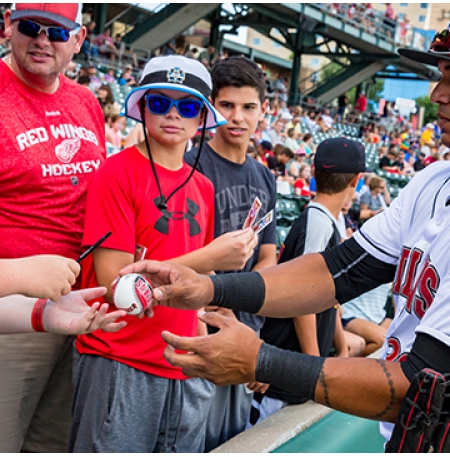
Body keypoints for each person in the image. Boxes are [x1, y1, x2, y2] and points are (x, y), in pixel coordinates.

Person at [126, 4, 450, 453]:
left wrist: (260, 361)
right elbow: (336, 272)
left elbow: (423, 390)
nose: (438, 92)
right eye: (441, 76)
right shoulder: (436, 180)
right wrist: (209, 287)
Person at [0, 3, 103, 453]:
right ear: (9, 26)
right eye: (31, 27)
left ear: (79, 39)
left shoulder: (86, 102)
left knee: (55, 442)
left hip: (76, 304)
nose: (43, 40)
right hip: (2, 313)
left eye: (58, 32)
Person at [69, 55, 255, 453]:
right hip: (122, 357)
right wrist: (211, 258)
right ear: (143, 109)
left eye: (187, 106)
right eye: (159, 103)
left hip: (184, 361)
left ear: (202, 116)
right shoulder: (115, 172)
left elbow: (195, 287)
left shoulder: (202, 186)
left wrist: (204, 341)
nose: (173, 114)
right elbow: (115, 281)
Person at [179, 56, 278, 451]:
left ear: (263, 111)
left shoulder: (264, 175)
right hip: (197, 327)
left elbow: (268, 256)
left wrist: (255, 338)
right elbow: (181, 256)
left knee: (232, 441)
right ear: (211, 107)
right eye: (227, 105)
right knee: (188, 439)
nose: (238, 117)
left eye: (248, 107)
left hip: (245, 328)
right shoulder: (190, 165)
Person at [251, 138, 363, 425]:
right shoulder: (319, 222)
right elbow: (303, 297)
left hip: (297, 364)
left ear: (313, 173)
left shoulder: (329, 220)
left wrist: (341, 347)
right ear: (357, 180)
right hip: (288, 364)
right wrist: (313, 366)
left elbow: (329, 296)